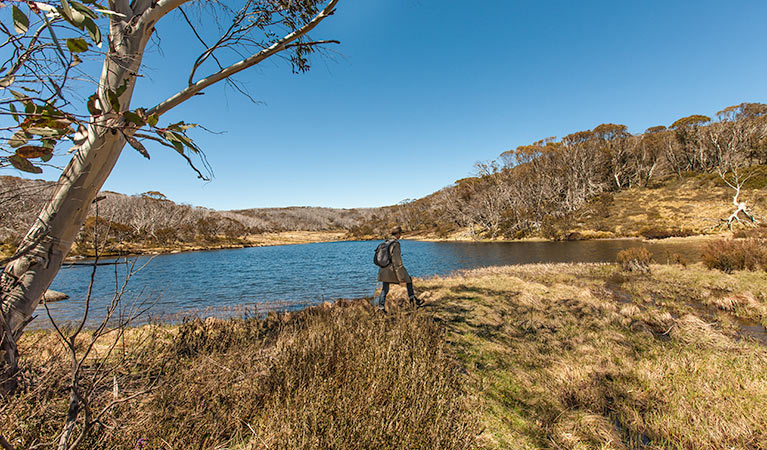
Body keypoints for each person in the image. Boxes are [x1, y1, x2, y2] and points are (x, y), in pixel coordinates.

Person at [377, 226, 422, 311]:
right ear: (397, 233)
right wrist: (401, 273)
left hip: (383, 268)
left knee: (385, 288)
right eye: (400, 233)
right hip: (392, 269)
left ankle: (380, 308)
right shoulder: (395, 244)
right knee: (409, 280)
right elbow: (397, 261)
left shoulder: (385, 242)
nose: (400, 236)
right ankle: (413, 302)